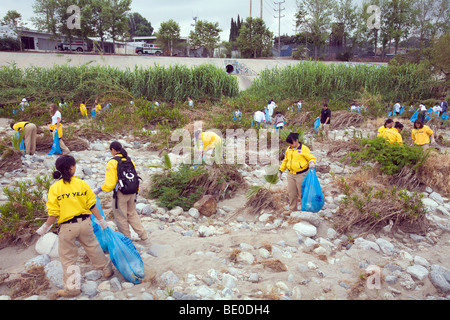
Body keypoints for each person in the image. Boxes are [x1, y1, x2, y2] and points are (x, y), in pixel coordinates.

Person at [36, 155, 113, 298]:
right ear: (72, 168)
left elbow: (54, 213)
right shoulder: (82, 184)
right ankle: (106, 269)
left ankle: (72, 289)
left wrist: (45, 227)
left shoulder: (55, 188)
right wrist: (101, 220)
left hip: (67, 227)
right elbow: (92, 205)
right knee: (92, 246)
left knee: (68, 257)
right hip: (85, 223)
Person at [94, 141, 148, 242]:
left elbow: (110, 184)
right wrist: (137, 190)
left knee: (121, 217)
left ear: (113, 150)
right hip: (132, 192)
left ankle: (127, 240)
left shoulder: (112, 162)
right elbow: (135, 176)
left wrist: (99, 189)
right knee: (132, 213)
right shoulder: (129, 160)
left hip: (121, 194)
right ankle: (143, 235)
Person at [278, 132, 316, 213]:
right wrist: (281, 171)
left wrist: (312, 162)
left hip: (301, 175)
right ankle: (292, 210)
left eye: (291, 143)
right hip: (290, 174)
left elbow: (311, 158)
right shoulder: (289, 149)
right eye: (289, 144)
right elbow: (285, 160)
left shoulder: (304, 149)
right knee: (291, 193)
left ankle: (305, 210)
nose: (290, 145)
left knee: (302, 193)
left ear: (296, 140)